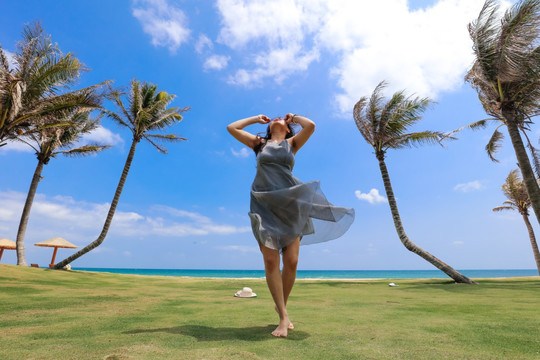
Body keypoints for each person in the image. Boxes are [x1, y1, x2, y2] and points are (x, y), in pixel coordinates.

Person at [227, 113, 355, 338]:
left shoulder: (292, 144)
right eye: (274, 118)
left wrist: (294, 117)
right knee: (270, 260)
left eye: (282, 120)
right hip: (263, 202)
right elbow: (232, 127)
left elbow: (312, 125)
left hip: (290, 203)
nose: (277, 118)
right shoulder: (259, 144)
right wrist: (256, 119)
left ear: (288, 128)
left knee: (292, 261)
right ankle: (284, 317)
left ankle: (281, 308)